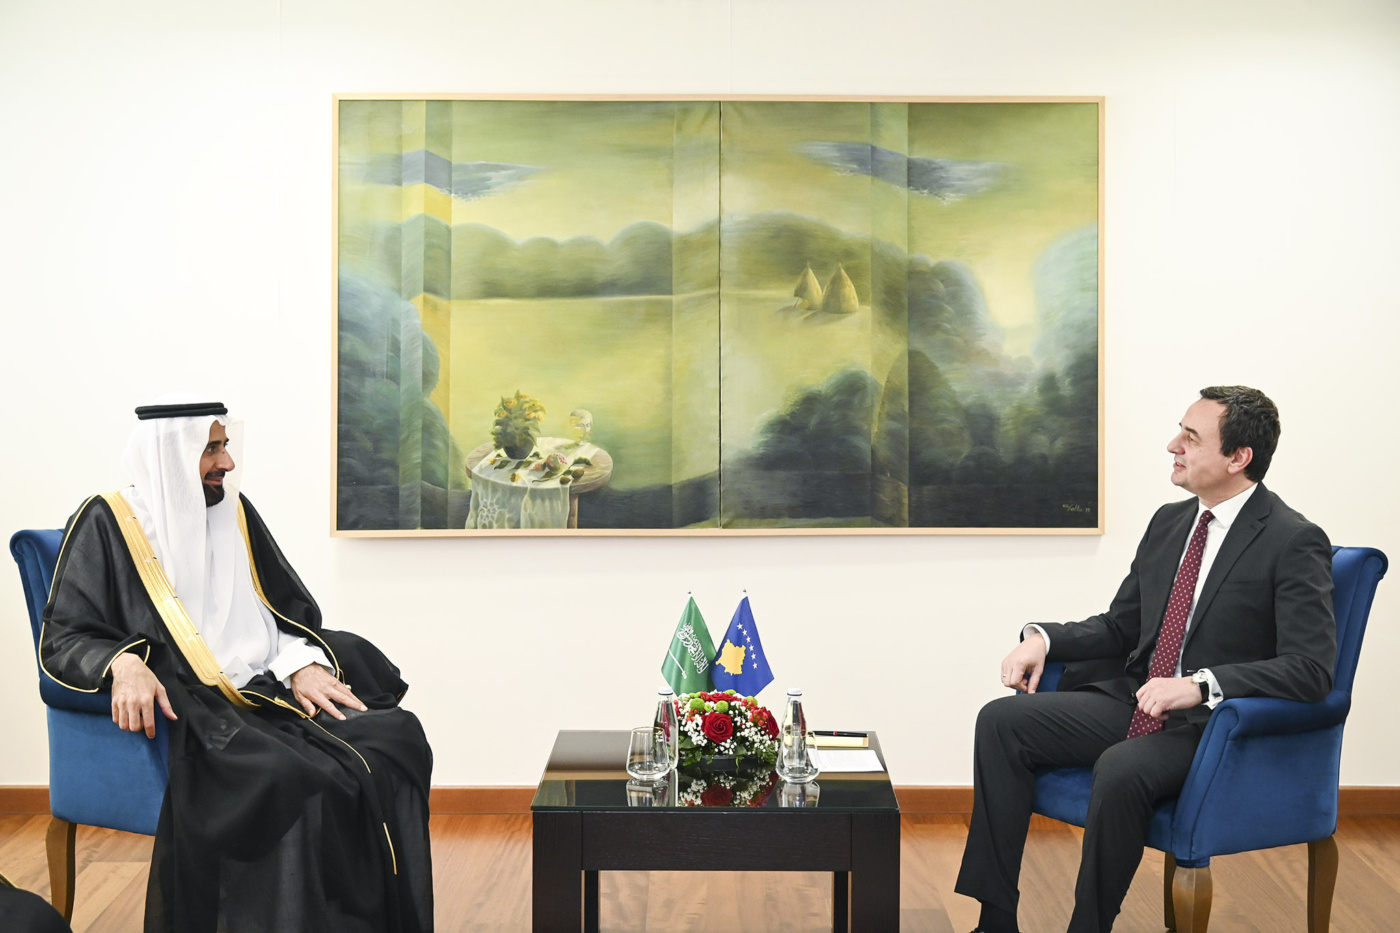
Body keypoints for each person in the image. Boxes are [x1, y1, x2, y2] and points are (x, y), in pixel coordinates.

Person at [39, 397, 433, 933]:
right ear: (170, 453)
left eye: (225, 446)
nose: (226, 462)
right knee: (281, 774)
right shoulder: (108, 521)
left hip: (263, 686)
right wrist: (122, 664)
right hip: (195, 706)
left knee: (393, 739)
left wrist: (300, 662)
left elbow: (282, 608)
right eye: (211, 449)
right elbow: (65, 633)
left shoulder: (235, 511)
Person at [955, 386, 1335, 933]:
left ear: (1238, 457)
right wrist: (1044, 639)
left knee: (1121, 767)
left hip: (1212, 727)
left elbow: (1311, 669)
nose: (1172, 445)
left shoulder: (1293, 540)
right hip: (1137, 700)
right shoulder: (1170, 523)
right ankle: (995, 921)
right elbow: (1121, 627)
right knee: (1001, 721)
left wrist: (1201, 684)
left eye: (1191, 437)